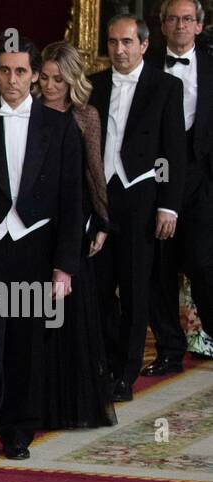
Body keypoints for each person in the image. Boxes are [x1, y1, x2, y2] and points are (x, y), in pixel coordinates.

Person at [0, 39, 82, 467]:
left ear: (35, 76)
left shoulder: (59, 127)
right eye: (5, 71)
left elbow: (71, 201)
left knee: (26, 344)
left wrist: (64, 267)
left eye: (21, 72)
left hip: (35, 251)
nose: (12, 79)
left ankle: (19, 431)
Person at [89, 13, 187, 401]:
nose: (120, 50)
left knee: (134, 288)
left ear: (144, 45)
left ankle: (124, 374)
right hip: (100, 198)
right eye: (113, 42)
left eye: (127, 42)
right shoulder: (94, 85)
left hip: (142, 198)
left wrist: (169, 206)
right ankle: (108, 360)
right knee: (96, 288)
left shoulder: (166, 87)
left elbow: (174, 151)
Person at [37, 41, 117, 430]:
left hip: (74, 220)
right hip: (34, 224)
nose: (50, 86)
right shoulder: (29, 114)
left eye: (58, 79)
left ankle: (69, 404)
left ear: (72, 81)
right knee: (35, 314)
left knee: (70, 316)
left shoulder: (86, 116)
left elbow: (94, 171)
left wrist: (102, 222)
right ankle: (34, 401)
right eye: (46, 78)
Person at [147, 0, 213, 375]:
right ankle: (170, 350)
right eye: (173, 19)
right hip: (159, 176)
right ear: (163, 25)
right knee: (160, 268)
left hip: (204, 177)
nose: (180, 25)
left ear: (199, 25)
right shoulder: (148, 66)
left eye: (187, 19)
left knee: (204, 262)